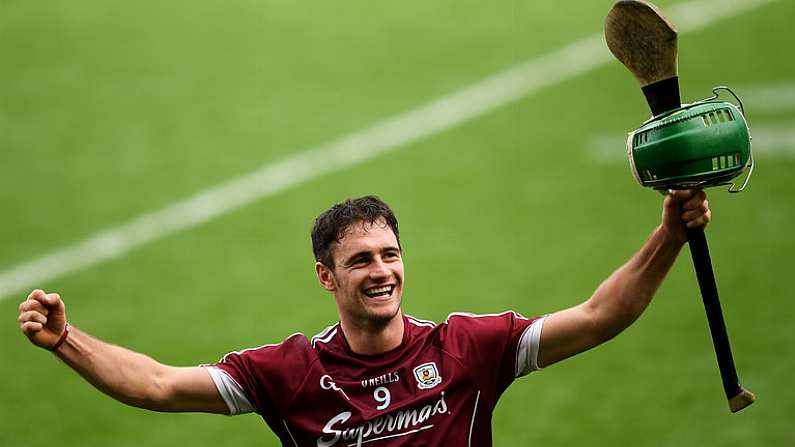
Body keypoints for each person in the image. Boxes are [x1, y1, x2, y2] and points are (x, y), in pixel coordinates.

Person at [18, 191, 711, 446]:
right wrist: (66, 340)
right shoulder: (289, 372)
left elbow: (598, 316)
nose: (381, 271)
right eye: (360, 261)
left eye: (390, 254)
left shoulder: (466, 346)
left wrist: (668, 237)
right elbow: (158, 385)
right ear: (326, 276)